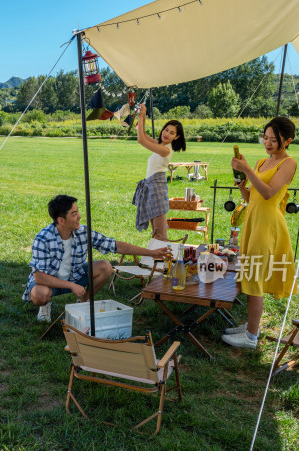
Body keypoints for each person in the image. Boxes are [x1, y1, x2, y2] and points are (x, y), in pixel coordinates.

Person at [23, 194, 168, 322]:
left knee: (105, 266)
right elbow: (39, 278)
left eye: (78, 211)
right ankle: (44, 308)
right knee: (39, 295)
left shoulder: (82, 232)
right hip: (50, 282)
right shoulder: (43, 239)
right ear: (61, 220)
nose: (79, 216)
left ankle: (83, 302)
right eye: (74, 214)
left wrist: (152, 253)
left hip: (75, 276)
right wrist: (71, 286)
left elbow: (115, 246)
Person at [222, 117, 298, 349]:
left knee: (255, 277)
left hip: (268, 225)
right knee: (249, 273)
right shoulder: (260, 162)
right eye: (265, 137)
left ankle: (251, 337)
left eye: (274, 140)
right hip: (253, 222)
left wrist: (247, 170)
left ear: (287, 141)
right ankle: (250, 325)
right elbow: (252, 197)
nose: (267, 142)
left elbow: (268, 194)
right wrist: (243, 186)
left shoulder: (288, 164)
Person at [133, 106, 186, 240]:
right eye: (166, 129)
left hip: (157, 189)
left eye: (172, 133)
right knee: (156, 233)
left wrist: (141, 115)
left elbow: (140, 140)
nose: (167, 133)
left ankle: (163, 259)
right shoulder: (160, 145)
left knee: (160, 234)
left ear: (177, 137)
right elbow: (143, 134)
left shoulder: (165, 150)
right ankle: (156, 258)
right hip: (152, 188)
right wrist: (143, 115)